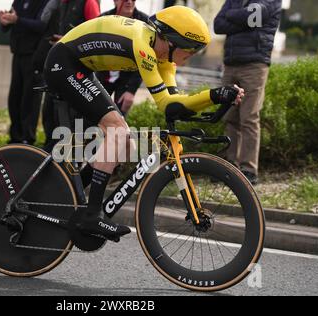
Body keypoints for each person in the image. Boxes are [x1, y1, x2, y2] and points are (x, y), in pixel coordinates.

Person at [43, 6, 245, 241]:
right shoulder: (143, 46)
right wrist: (213, 95)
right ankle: (91, 215)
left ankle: (69, 189)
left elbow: (173, 102)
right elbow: (167, 105)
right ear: (171, 42)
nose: (189, 57)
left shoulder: (164, 59)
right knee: (117, 132)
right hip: (63, 63)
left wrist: (218, 98)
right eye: (189, 52)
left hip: (80, 67)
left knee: (126, 145)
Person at [214, 0, 282, 185]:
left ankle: (249, 170)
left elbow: (252, 17)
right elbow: (218, 24)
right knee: (229, 116)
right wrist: (243, 19)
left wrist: (232, 15)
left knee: (249, 117)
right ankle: (230, 165)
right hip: (230, 64)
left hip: (255, 64)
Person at [35, 0, 101, 151]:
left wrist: (68, 42)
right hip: (59, 67)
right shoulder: (61, 3)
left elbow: (96, 35)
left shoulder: (88, 3)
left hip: (77, 71)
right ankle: (51, 160)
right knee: (50, 115)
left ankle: (67, 163)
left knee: (70, 122)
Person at [0, 0, 47, 145]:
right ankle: (15, 137)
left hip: (34, 55)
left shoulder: (45, 3)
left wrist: (18, 20)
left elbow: (41, 26)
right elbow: (12, 21)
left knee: (30, 99)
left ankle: (27, 138)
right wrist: (5, 21)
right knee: (14, 98)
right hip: (18, 53)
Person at [97, 0, 149, 115]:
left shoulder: (145, 23)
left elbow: (146, 59)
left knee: (118, 122)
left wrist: (131, 90)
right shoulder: (103, 19)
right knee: (93, 117)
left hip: (127, 79)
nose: (129, 1)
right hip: (102, 77)